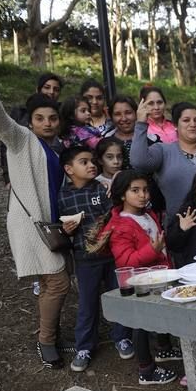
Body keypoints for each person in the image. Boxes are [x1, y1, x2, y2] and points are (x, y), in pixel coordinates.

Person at [0, 60, 70, 369]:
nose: (47, 123)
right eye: (40, 118)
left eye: (52, 118)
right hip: (30, 226)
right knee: (58, 283)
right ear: (31, 121)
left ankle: (52, 334)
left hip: (53, 226)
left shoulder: (59, 148)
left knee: (52, 284)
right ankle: (46, 340)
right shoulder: (22, 139)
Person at [95, 171, 178, 385]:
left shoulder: (147, 214)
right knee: (140, 323)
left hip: (157, 276)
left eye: (145, 190)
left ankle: (164, 349)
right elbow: (125, 262)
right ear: (122, 194)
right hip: (139, 284)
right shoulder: (120, 225)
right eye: (135, 190)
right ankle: (146, 369)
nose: (142, 195)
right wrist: (152, 250)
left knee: (159, 314)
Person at [58, 146, 134, 372]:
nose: (92, 165)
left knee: (118, 295)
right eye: (84, 162)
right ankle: (84, 346)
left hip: (110, 256)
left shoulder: (101, 190)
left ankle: (122, 336)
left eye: (93, 161)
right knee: (87, 303)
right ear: (69, 169)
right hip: (84, 258)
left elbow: (114, 217)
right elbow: (61, 228)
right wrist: (67, 230)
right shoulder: (62, 196)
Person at [1, 72, 63, 186]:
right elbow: (6, 144)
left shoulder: (63, 113)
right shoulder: (20, 112)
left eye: (56, 89)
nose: (51, 92)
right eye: (47, 87)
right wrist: (7, 176)